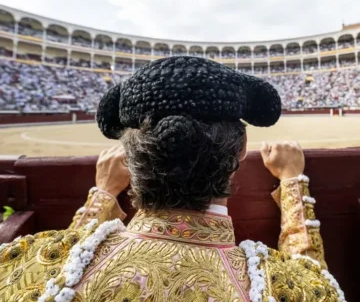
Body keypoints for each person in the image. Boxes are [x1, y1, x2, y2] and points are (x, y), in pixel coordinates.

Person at [0, 56, 345, 302]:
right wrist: (292, 183)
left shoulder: (32, 263)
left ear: (131, 159)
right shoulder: (285, 286)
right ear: (241, 150)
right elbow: (314, 282)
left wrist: (103, 195)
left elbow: (74, 258)